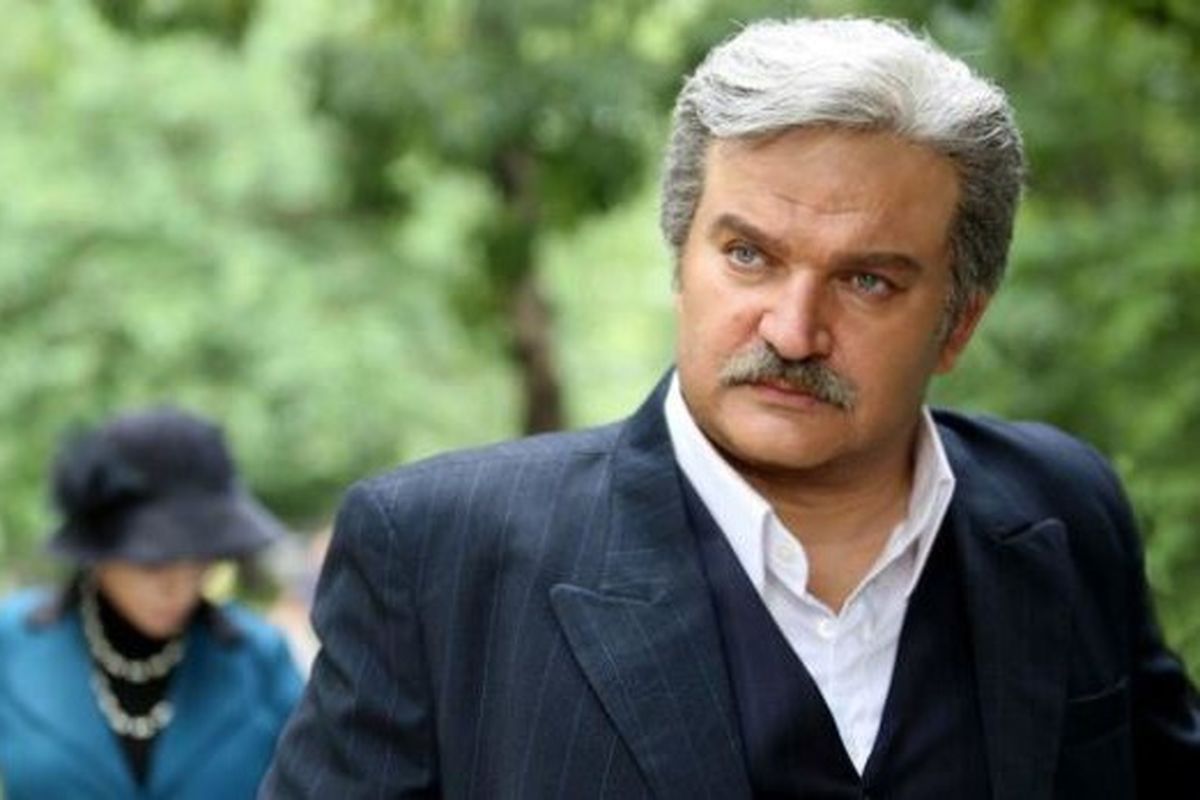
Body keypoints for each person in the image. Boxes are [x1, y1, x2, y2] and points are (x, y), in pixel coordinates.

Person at [262, 17, 1200, 799]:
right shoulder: (439, 554)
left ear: (958, 324)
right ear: (682, 260)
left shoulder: (1063, 509)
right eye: (749, 256)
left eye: (868, 281)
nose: (792, 332)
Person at [0, 408, 303, 800]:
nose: (180, 587)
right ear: (99, 548)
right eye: (154, 563)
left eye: (200, 560)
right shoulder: (13, 642)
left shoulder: (259, 657)